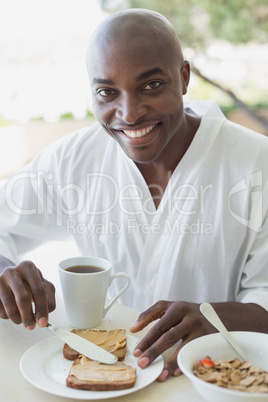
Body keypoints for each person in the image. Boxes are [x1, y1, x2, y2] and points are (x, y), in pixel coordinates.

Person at [0, 8, 268, 382]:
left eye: (151, 85)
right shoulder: (72, 160)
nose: (129, 113)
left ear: (184, 77)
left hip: (211, 383)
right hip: (100, 380)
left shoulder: (257, 164)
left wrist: (213, 315)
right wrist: (4, 274)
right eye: (107, 92)